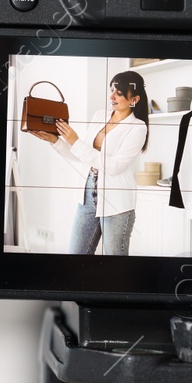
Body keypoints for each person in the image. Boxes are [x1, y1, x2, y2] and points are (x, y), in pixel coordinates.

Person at [37, 71, 148, 255]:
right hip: (87, 198)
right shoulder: (99, 116)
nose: (112, 96)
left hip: (117, 205)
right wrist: (55, 140)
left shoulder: (138, 127)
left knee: (116, 265)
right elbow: (83, 156)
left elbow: (114, 166)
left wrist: (75, 141)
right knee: (76, 256)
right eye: (112, 90)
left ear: (134, 99)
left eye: (119, 93)